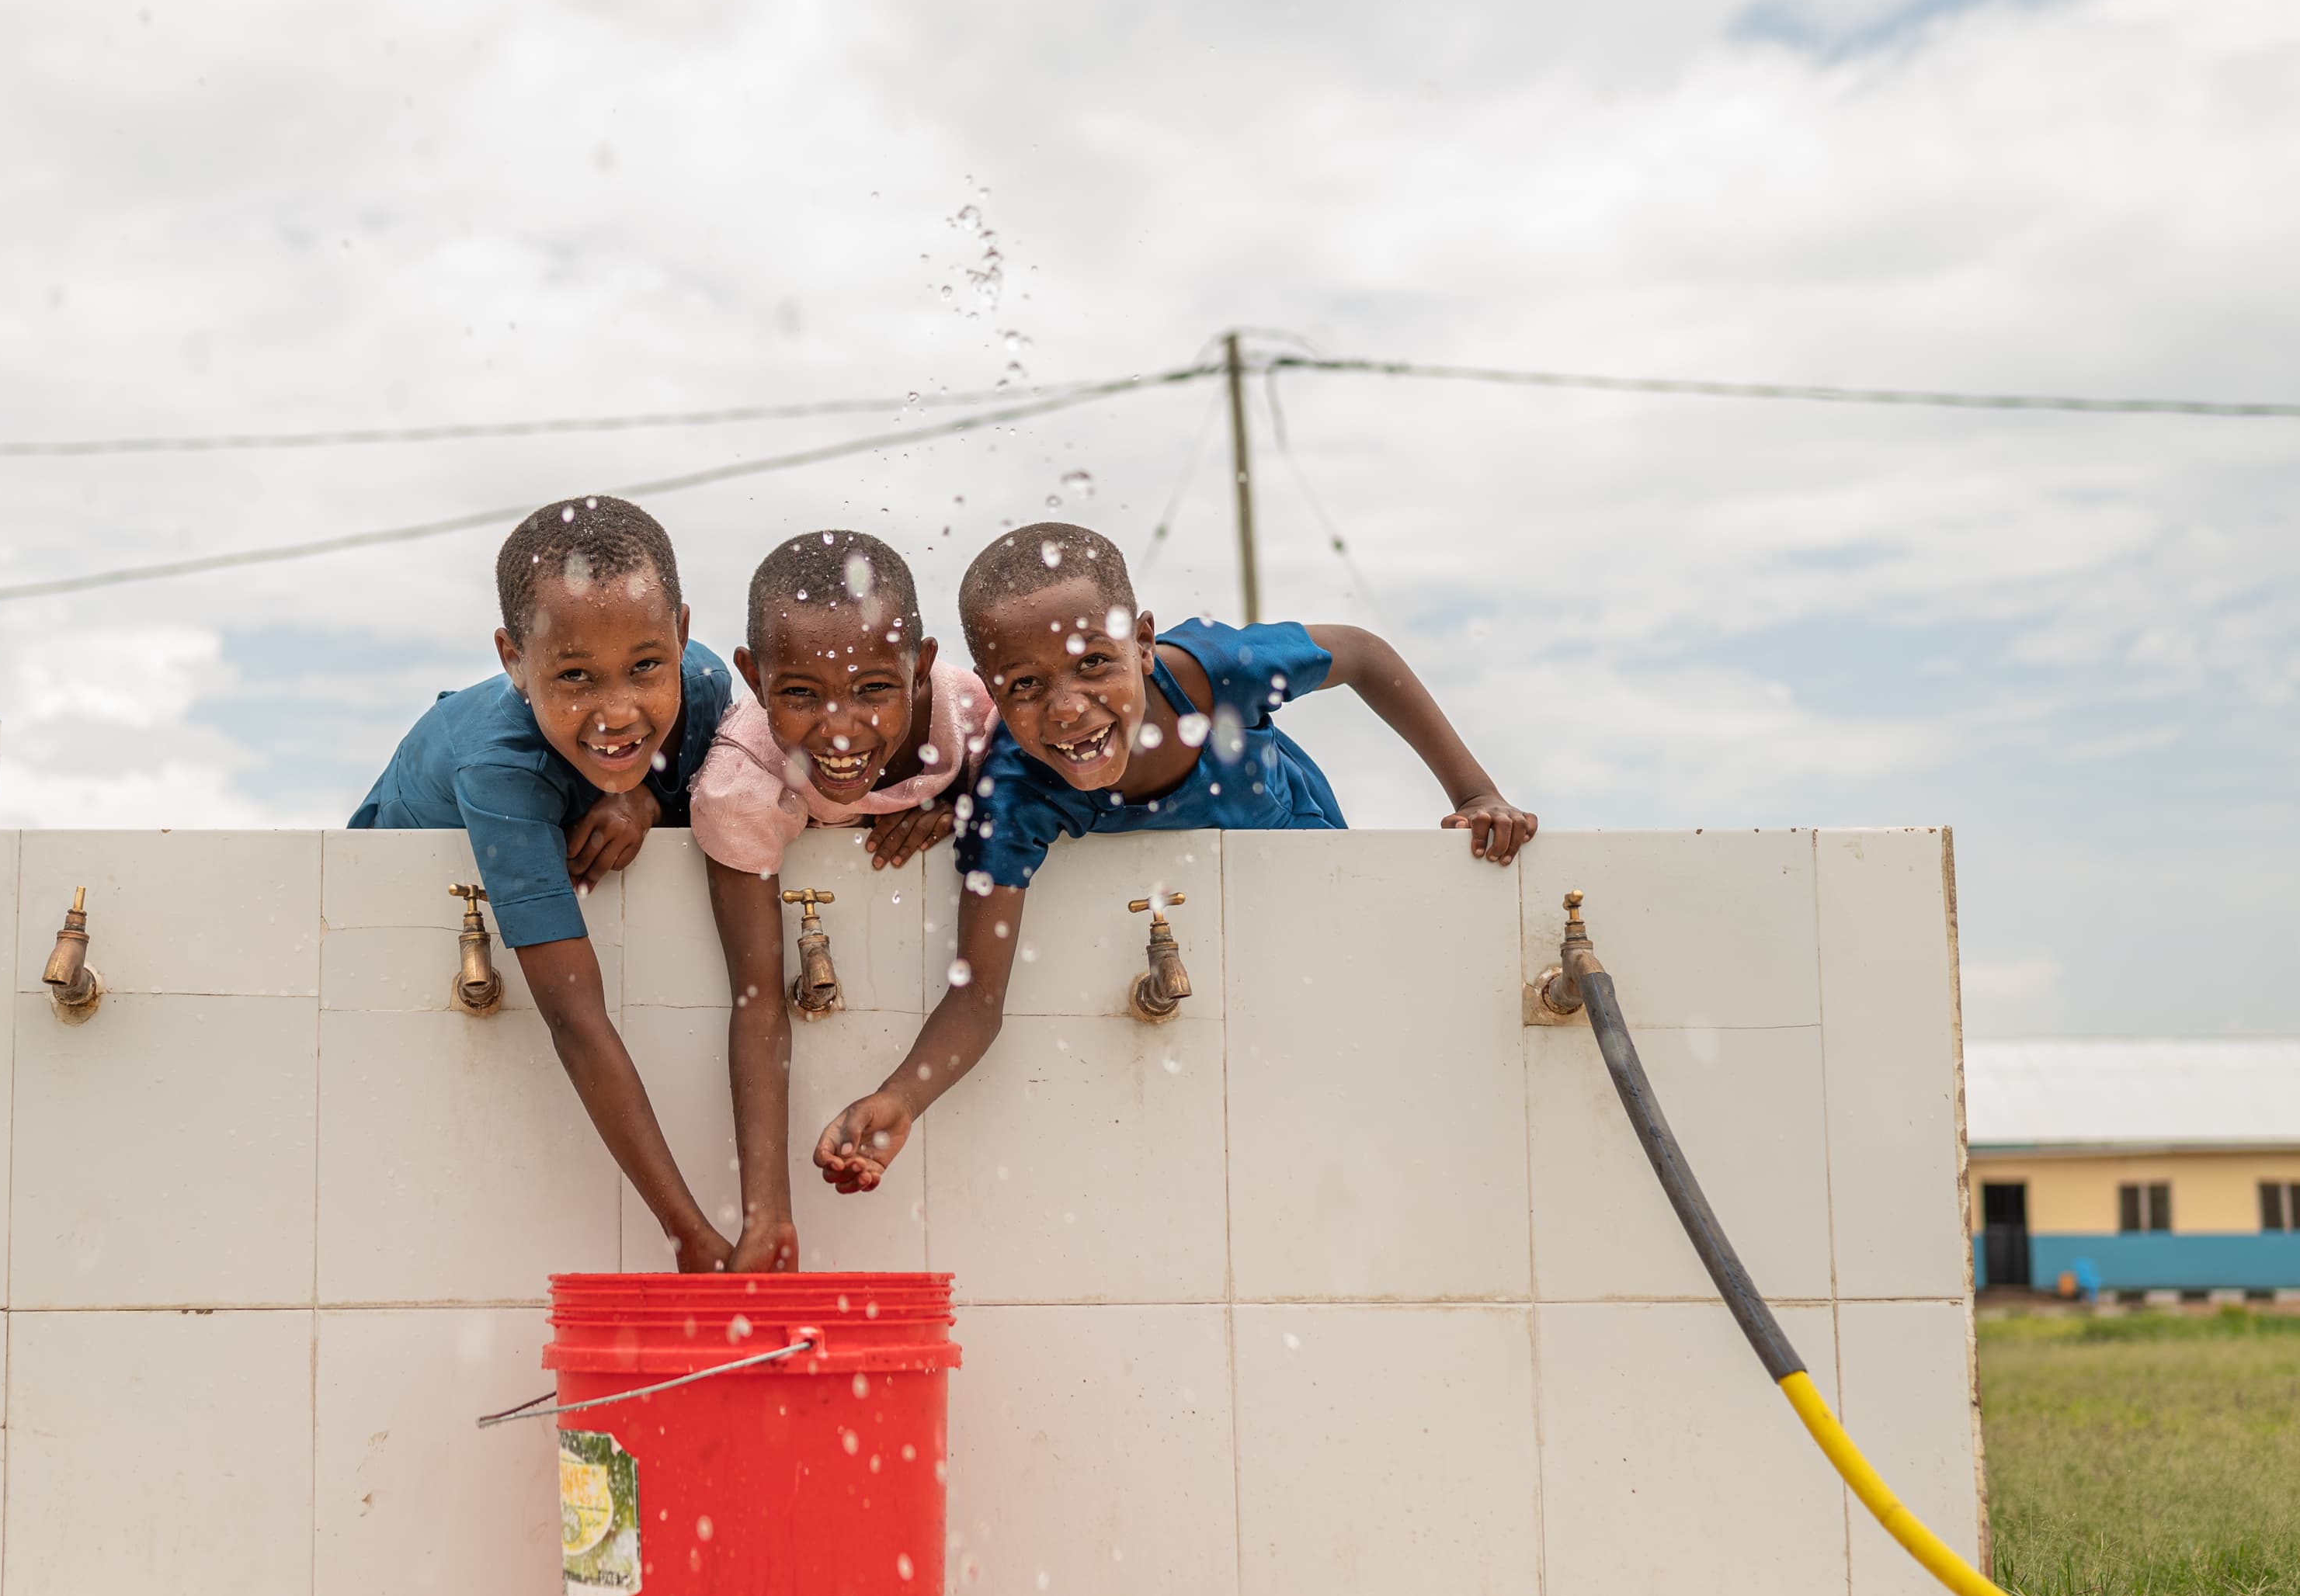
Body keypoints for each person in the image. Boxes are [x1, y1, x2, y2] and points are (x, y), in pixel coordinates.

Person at [812, 520, 1535, 1193]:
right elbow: (978, 996)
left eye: (1095, 663)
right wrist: (899, 1097)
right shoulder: (1015, 795)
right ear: (990, 683)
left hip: (1302, 852)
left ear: (1146, 642)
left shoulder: (1216, 673)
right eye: (1025, 685)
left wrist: (1474, 792)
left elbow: (1366, 655)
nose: (1066, 709)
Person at [349, 494, 738, 1269]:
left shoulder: (704, 684)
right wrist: (687, 1230)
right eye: (573, 676)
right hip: (392, 870)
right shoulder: (502, 772)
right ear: (512, 659)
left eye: (644, 666)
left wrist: (646, 794)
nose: (619, 709)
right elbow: (574, 1018)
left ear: (681, 635)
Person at [690, 531, 994, 1270]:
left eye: (874, 689)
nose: (841, 726)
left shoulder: (981, 721)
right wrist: (769, 1210)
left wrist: (965, 803)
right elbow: (758, 999)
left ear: (921, 669)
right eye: (799, 694)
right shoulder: (742, 784)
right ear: (754, 680)